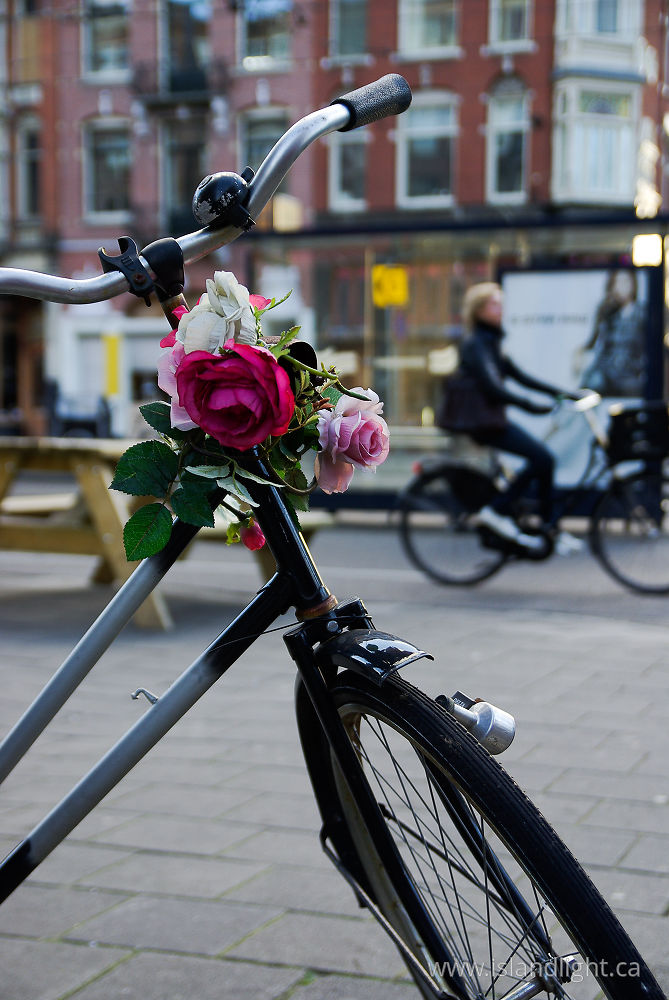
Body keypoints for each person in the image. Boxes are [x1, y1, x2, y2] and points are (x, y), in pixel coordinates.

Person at [456, 281, 581, 555]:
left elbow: (521, 377)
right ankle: (495, 511)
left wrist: (564, 394)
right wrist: (531, 406)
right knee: (543, 459)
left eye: (501, 303)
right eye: (493, 304)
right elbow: (493, 387)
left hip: (491, 421)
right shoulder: (476, 344)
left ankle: (549, 530)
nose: (500, 309)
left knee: (543, 460)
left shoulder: (491, 342)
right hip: (483, 423)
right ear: (478, 311)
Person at [576, 269, 645, 397]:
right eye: (617, 282)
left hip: (630, 372)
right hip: (605, 372)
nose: (621, 286)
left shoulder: (642, 314)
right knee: (589, 387)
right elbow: (595, 341)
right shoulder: (608, 313)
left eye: (625, 281)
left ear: (633, 284)